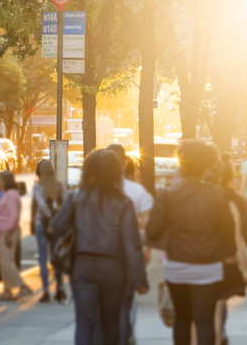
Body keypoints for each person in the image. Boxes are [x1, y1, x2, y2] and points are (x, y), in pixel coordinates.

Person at [51, 150, 148, 345]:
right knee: (110, 322)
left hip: (83, 266)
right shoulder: (124, 203)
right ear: (115, 172)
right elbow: (132, 244)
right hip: (114, 269)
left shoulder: (76, 198)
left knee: (84, 322)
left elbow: (57, 227)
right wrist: (140, 279)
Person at [146, 140, 236, 345]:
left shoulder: (167, 194)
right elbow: (228, 232)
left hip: (177, 265)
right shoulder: (216, 195)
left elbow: (152, 230)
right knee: (204, 320)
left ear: (182, 164)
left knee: (182, 319)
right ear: (206, 165)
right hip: (209, 266)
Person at [213, 152, 247, 345]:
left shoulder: (204, 196)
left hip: (201, 255)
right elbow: (246, 230)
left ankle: (216, 334)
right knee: (220, 299)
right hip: (226, 255)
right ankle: (220, 333)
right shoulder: (235, 199)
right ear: (231, 177)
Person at [106, 144, 154, 344]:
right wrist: (146, 249)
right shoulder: (137, 191)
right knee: (128, 299)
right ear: (124, 163)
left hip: (102, 254)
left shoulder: (92, 191)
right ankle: (127, 335)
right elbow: (146, 225)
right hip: (129, 253)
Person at [0, 170, 32, 302]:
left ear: (5, 181)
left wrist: (8, 233)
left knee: (6, 262)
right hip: (4, 230)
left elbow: (14, 216)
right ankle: (7, 290)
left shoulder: (11, 195)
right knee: (3, 262)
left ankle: (22, 286)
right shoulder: (6, 194)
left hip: (8, 231)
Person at [32, 160, 66, 304]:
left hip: (42, 224)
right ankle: (60, 288)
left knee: (43, 259)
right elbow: (64, 205)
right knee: (57, 257)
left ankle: (46, 291)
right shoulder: (59, 185)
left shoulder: (37, 187)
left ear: (38, 172)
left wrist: (48, 218)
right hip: (56, 226)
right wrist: (55, 220)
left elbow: (40, 204)